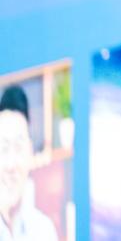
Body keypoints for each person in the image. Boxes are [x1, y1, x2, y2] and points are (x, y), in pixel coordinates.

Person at [0, 85, 58, 241]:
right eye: (4, 148)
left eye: (18, 147)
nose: (11, 165)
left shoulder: (44, 231)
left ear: (30, 154)